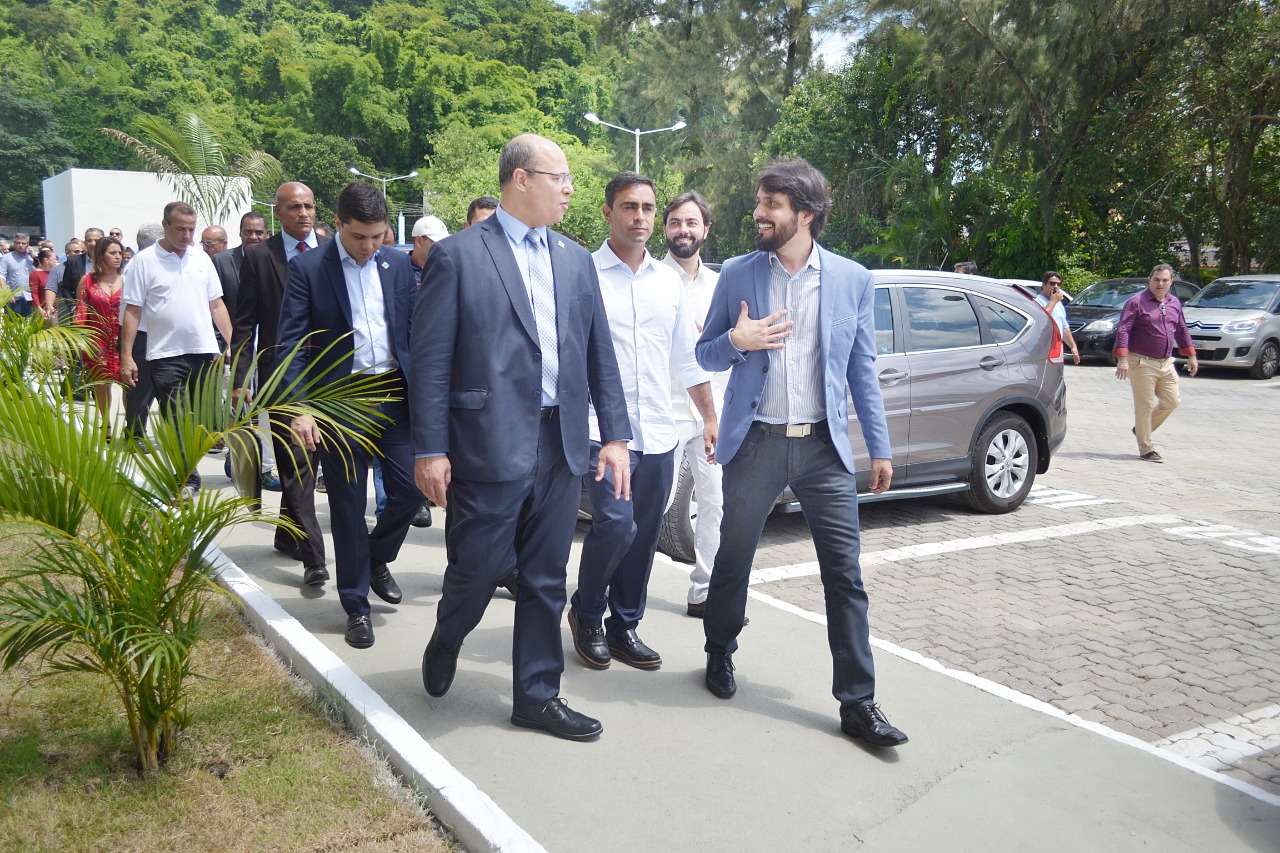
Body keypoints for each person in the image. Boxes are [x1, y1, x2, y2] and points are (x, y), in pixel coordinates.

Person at [412, 133, 632, 741]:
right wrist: (430, 450)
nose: (569, 189)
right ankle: (448, 633)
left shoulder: (575, 259)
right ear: (521, 180)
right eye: (559, 177)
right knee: (477, 568)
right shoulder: (459, 255)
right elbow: (430, 363)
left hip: (560, 444)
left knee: (544, 576)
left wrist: (614, 435)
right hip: (487, 441)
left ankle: (537, 696)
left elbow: (598, 353)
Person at [695, 158, 907, 748]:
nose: (758, 213)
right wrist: (737, 342)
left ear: (805, 215)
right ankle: (719, 651)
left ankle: (858, 702)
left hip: (823, 448)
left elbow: (861, 368)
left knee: (845, 575)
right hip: (755, 442)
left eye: (771, 205)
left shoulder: (851, 280)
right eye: (760, 201)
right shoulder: (737, 274)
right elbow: (705, 354)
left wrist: (879, 446)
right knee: (733, 561)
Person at [569, 172, 714, 672]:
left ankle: (624, 623)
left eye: (649, 208)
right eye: (629, 207)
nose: (641, 217)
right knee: (615, 523)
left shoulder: (668, 281)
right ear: (607, 212)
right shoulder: (582, 274)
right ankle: (586, 613)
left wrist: (709, 417)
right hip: (601, 432)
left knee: (645, 533)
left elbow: (687, 358)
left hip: (660, 432)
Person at [277, 181, 424, 650]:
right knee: (346, 505)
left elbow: (414, 330)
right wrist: (301, 407)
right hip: (339, 405)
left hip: (394, 397)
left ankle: (374, 558)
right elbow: (292, 345)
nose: (369, 246)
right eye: (360, 236)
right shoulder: (308, 269)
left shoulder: (398, 263)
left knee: (409, 491)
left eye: (378, 236)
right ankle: (356, 605)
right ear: (337, 225)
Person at [230, 183, 329, 586]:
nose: (304, 213)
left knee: (311, 460)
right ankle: (314, 558)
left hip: (325, 376)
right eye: (294, 207)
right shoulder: (258, 256)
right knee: (298, 462)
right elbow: (244, 322)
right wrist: (239, 380)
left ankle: (286, 533)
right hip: (281, 376)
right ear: (279, 212)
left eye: (308, 206)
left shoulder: (329, 251)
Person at [120, 202, 234, 494]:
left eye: (191, 229)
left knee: (202, 419)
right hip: (164, 355)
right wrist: (126, 357)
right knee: (176, 417)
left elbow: (217, 304)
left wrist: (233, 343)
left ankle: (189, 467)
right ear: (165, 225)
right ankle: (187, 476)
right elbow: (132, 312)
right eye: (180, 228)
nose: (186, 235)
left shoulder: (202, 259)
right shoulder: (143, 262)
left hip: (204, 351)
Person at [659, 189, 730, 617]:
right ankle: (619, 593)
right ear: (664, 230)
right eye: (675, 222)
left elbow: (736, 347)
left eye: (691, 222)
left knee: (715, 503)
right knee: (655, 506)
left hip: (712, 414)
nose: (683, 230)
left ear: (705, 229)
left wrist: (717, 339)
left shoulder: (722, 286)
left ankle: (705, 591)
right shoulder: (651, 279)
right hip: (663, 410)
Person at [213, 212, 276, 488]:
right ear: (239, 233)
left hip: (269, 344)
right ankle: (235, 456)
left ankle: (266, 467)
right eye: (248, 232)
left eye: (259, 232)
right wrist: (226, 343)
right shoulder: (223, 262)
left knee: (265, 407)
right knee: (235, 403)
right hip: (234, 345)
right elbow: (216, 305)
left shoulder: (274, 258)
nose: (254, 237)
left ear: (266, 233)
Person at [1113, 263, 1197, 463]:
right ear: (1149, 280)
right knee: (1146, 405)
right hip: (1141, 362)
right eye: (1157, 279)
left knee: (1172, 401)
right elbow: (1123, 329)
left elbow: (1182, 329)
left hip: (1166, 363)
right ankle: (1146, 448)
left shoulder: (1174, 302)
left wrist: (1191, 355)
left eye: (1165, 280)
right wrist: (1123, 359)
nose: (1160, 283)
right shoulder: (1136, 302)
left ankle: (1142, 429)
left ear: (1171, 282)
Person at [75, 237, 126, 436]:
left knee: (128, 385)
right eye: (112, 253)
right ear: (101, 255)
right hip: (97, 341)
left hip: (124, 341)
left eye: (120, 253)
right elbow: (81, 310)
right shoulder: (87, 280)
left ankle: (131, 427)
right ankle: (106, 424)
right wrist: (80, 339)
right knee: (102, 386)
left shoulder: (128, 278)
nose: (117, 257)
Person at [121, 224, 164, 446]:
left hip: (158, 333)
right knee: (142, 388)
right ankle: (134, 434)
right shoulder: (139, 265)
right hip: (142, 334)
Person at [1035, 271, 1081, 364]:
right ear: (1044, 284)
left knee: (1055, 375)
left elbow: (1064, 327)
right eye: (1052, 283)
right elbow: (1042, 318)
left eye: (1058, 284)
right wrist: (1052, 302)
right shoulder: (1037, 302)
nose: (1056, 286)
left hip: (1056, 347)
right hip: (1042, 347)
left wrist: (1073, 347)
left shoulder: (1058, 304)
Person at [60, 228, 103, 322]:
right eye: (89, 240)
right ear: (85, 242)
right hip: (81, 315)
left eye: (96, 240)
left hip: (104, 313)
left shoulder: (108, 261)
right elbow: (65, 288)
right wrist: (74, 307)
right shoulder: (73, 261)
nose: (93, 243)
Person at [1, 233, 35, 316]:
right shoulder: (6, 258)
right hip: (14, 297)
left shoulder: (32, 258)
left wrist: (34, 257)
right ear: (14, 243)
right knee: (14, 325)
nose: (20, 245)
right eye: (18, 243)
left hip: (31, 297)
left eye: (23, 243)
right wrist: (7, 293)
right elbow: (1, 276)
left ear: (28, 244)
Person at [30, 248, 58, 321]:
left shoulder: (55, 272)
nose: (56, 261)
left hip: (56, 309)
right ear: (46, 260)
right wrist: (39, 309)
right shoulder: (35, 274)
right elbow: (34, 293)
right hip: (43, 309)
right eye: (54, 259)